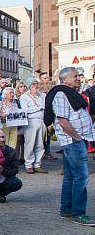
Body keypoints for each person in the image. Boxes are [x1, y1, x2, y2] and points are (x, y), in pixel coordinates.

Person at [47, 67, 95, 226]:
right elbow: (62, 121)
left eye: (78, 76)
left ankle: (66, 209)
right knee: (81, 177)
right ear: (65, 79)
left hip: (76, 140)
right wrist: (77, 138)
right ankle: (78, 213)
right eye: (74, 76)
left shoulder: (70, 93)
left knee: (70, 177)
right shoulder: (61, 94)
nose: (78, 78)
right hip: (73, 142)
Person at [19, 78, 46, 173]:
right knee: (30, 144)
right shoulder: (24, 97)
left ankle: (37, 164)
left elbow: (46, 107)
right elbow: (25, 110)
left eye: (36, 84)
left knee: (40, 144)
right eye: (33, 84)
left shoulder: (42, 96)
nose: (35, 86)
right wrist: (38, 108)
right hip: (31, 121)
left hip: (41, 121)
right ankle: (28, 164)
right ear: (29, 86)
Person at [0, 128, 23, 202]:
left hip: (4, 177)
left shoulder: (11, 151)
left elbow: (15, 170)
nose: (1, 140)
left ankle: (1, 193)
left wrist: (3, 171)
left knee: (17, 183)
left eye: (3, 137)